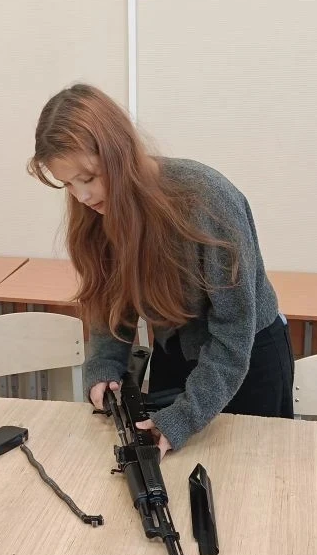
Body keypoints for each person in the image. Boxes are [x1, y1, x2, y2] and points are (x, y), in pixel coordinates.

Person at [27, 84, 295, 457]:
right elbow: (111, 298)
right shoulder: (98, 211)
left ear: (119, 153)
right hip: (175, 352)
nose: (82, 196)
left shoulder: (207, 199)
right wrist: (105, 365)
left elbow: (234, 330)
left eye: (88, 178)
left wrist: (186, 415)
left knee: (254, 475)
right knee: (171, 471)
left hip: (247, 357)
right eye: (68, 184)